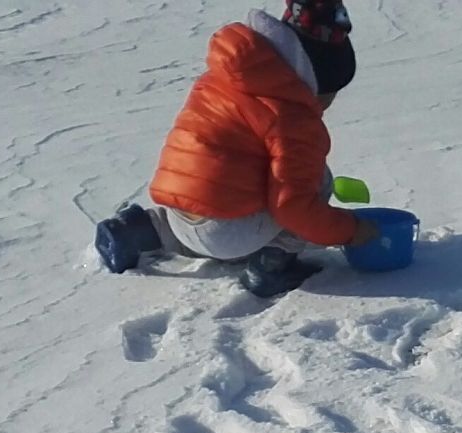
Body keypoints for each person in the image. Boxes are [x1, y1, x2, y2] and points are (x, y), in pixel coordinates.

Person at [95, 0, 377, 298]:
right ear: (315, 81)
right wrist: (352, 230)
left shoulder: (228, 76)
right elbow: (294, 207)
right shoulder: (294, 119)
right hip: (226, 233)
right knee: (318, 180)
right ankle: (274, 263)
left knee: (206, 202)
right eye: (331, 94)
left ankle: (137, 229)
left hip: (178, 213)